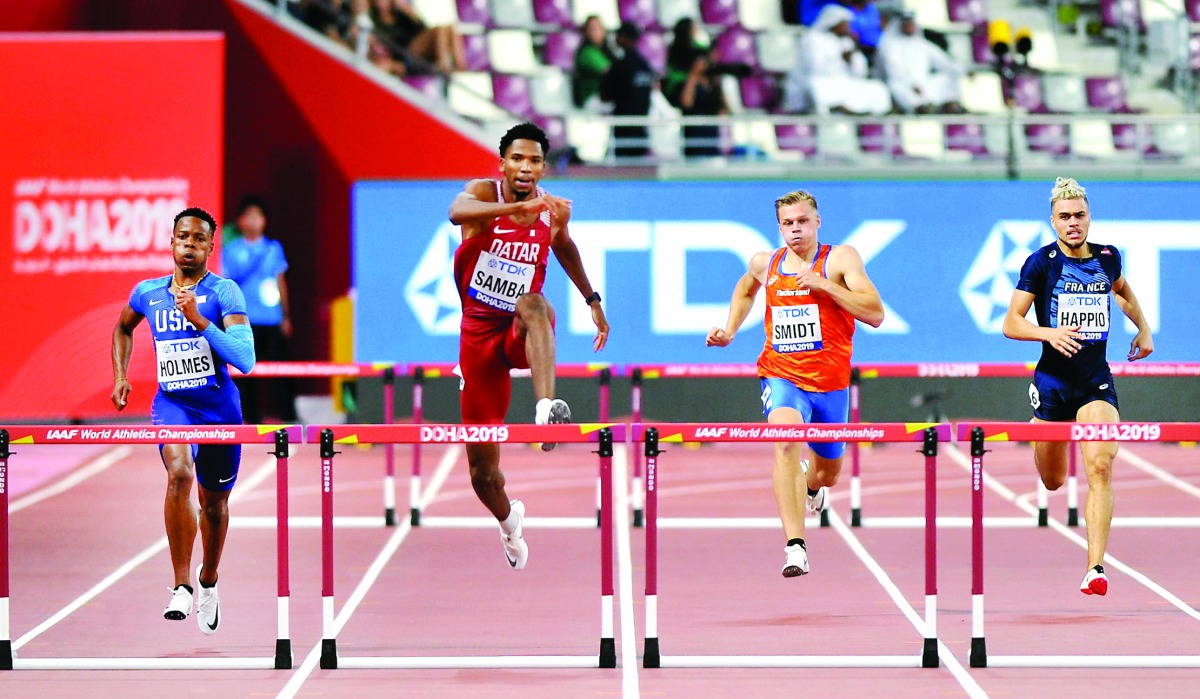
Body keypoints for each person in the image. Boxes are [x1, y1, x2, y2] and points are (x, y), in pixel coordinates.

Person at [447, 122, 610, 570]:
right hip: (478, 341)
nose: (525, 167)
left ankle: (545, 409)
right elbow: (456, 212)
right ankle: (508, 522)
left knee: (536, 304)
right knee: (483, 474)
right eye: (517, 158)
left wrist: (592, 300)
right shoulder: (482, 193)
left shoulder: (552, 212)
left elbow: (565, 246)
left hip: (518, 331)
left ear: (542, 166)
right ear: (503, 163)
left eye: (535, 160)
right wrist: (531, 203)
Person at [707, 189, 883, 577]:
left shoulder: (840, 259)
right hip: (782, 375)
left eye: (802, 221)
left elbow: (875, 313)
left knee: (828, 474)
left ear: (817, 222)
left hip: (832, 384)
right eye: (788, 224)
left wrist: (826, 287)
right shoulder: (764, 263)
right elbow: (745, 289)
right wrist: (731, 329)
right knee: (785, 437)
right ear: (779, 228)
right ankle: (795, 546)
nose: (796, 230)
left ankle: (810, 482)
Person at [1002, 177, 1153, 597]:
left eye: (1080, 215)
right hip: (1052, 384)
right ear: (1053, 221)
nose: (1073, 223)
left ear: (1089, 218)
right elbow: (1011, 323)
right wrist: (1048, 334)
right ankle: (1046, 440)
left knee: (1100, 467)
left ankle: (1095, 568)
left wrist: (1142, 327)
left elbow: (1120, 290)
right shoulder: (1041, 263)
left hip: (1093, 382)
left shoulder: (1107, 258)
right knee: (1052, 481)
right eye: (1065, 217)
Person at [111, 207, 256, 633]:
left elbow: (245, 359)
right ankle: (181, 586)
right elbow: (123, 328)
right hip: (173, 404)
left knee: (215, 503)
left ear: (211, 246)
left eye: (198, 239)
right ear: (171, 242)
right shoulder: (148, 293)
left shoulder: (224, 293)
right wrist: (120, 375)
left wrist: (198, 320)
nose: (189, 244)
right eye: (182, 237)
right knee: (179, 473)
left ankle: (207, 578)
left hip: (220, 409)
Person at [223, 195, 299, 425]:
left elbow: (280, 281)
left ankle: (288, 417)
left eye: (259, 216)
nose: (255, 221)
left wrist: (286, 316)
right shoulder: (232, 250)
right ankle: (250, 418)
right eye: (250, 216)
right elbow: (226, 284)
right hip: (244, 320)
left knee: (282, 371)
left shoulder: (273, 248)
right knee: (246, 373)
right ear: (241, 221)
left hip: (272, 318)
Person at [783, 4, 892, 115]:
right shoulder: (813, 39)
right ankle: (832, 109)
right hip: (819, 80)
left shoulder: (847, 42)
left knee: (877, 87)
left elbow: (861, 73)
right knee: (818, 87)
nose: (847, 28)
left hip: (842, 82)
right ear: (833, 22)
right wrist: (838, 59)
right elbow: (815, 69)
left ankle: (865, 113)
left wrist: (850, 61)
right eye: (844, 24)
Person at [877, 12, 966, 114]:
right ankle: (920, 108)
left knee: (949, 76)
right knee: (895, 86)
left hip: (923, 84)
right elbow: (894, 70)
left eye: (911, 24)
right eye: (906, 25)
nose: (909, 27)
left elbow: (943, 61)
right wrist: (912, 84)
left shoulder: (923, 44)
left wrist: (964, 71)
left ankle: (947, 106)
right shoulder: (892, 46)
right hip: (904, 84)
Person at [601, 21, 655, 158]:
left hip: (624, 126)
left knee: (624, 170)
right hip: (642, 125)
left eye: (619, 35)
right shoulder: (645, 65)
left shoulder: (620, 65)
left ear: (625, 38)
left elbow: (605, 94)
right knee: (639, 170)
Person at [671, 44, 730, 157]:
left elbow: (724, 109)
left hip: (712, 138)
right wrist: (693, 76)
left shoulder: (713, 85)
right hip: (694, 138)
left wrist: (717, 83)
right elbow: (687, 103)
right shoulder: (685, 84)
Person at [572, 14, 614, 112]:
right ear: (585, 32)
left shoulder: (607, 50)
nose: (595, 32)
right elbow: (610, 71)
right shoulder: (587, 52)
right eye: (592, 29)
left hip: (605, 98)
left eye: (598, 28)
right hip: (592, 100)